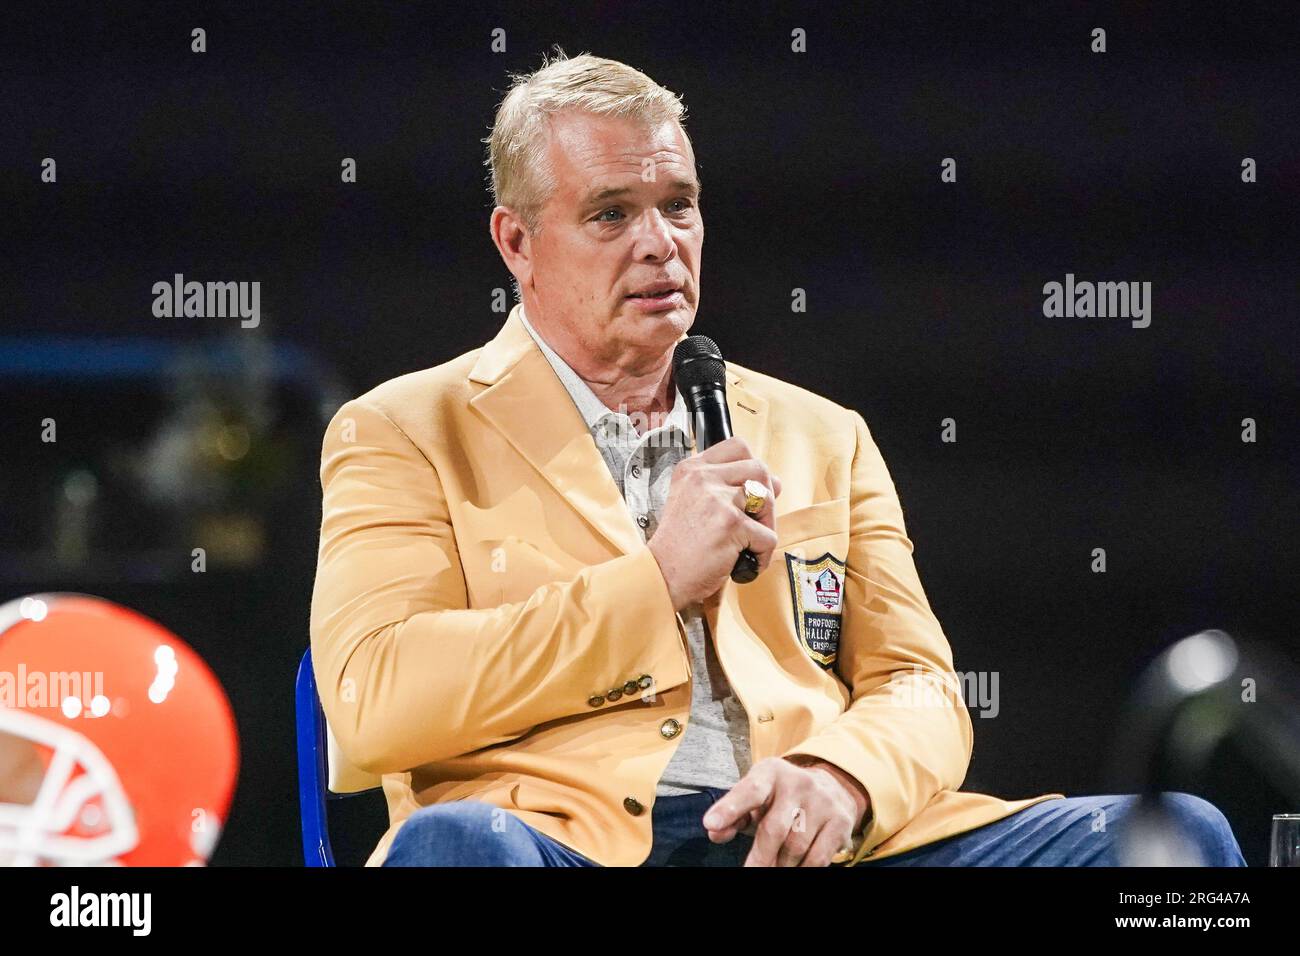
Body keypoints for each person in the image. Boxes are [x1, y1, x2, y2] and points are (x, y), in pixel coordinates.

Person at [308, 50, 1245, 867]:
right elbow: (374, 702)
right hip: (563, 844)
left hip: (811, 846)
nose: (660, 244)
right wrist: (655, 580)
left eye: (679, 206)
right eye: (609, 214)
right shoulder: (403, 428)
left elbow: (920, 688)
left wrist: (840, 776)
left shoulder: (821, 433)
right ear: (517, 243)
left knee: (1177, 840)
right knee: (455, 850)